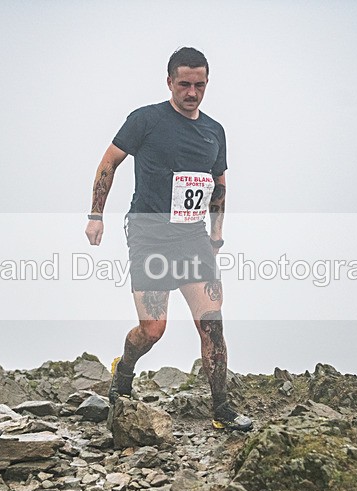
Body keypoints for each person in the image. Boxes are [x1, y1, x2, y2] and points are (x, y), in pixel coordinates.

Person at [85, 47, 252, 431]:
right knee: (152, 330)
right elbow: (109, 162)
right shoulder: (146, 120)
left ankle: (222, 410)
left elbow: (219, 183)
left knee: (211, 321)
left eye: (199, 85)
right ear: (169, 83)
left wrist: (216, 234)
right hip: (149, 235)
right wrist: (96, 215)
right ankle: (123, 371)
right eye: (184, 84)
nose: (192, 92)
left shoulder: (214, 131)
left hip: (192, 237)